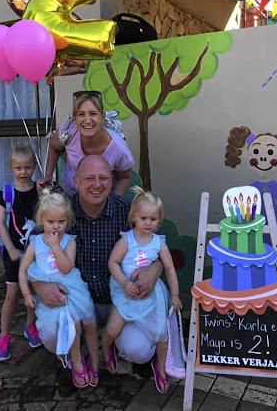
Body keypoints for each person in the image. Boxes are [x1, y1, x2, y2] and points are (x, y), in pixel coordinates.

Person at [29, 155, 163, 392]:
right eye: (89, 178)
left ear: (111, 181)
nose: (97, 184)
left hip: (118, 302)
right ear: (76, 180)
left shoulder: (128, 213)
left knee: (138, 349)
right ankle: (75, 360)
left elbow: (159, 250)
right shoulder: (59, 213)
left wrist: (154, 269)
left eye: (103, 178)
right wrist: (39, 285)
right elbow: (32, 256)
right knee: (50, 334)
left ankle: (126, 353)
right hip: (74, 302)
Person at [101, 186, 182, 394]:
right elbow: (113, 262)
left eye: (153, 219)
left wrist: (174, 295)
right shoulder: (126, 240)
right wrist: (124, 282)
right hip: (126, 293)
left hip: (151, 296)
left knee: (161, 334)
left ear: (159, 219)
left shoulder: (158, 243)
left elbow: (170, 268)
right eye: (143, 218)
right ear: (134, 217)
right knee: (111, 330)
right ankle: (106, 349)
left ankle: (162, 368)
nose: (148, 223)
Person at [19, 190, 98, 388]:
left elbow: (65, 267)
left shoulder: (69, 241)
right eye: (51, 222)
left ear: (67, 220)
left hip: (71, 287)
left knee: (84, 323)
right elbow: (23, 270)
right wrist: (27, 294)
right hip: (49, 291)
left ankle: (91, 362)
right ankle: (75, 359)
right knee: (69, 325)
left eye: (61, 222)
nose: (56, 227)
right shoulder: (35, 243)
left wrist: (56, 247)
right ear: (41, 220)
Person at [225, 126, 277, 260]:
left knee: (276, 248)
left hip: (275, 220)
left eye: (270, 152)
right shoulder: (250, 189)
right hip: (254, 223)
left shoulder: (273, 186)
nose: (262, 158)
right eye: (256, 151)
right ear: (246, 156)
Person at [37, 90, 134, 197]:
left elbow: (124, 177)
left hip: (101, 199)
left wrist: (114, 202)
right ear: (74, 118)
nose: (87, 120)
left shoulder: (118, 148)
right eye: (81, 114)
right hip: (69, 195)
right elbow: (54, 147)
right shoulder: (68, 133)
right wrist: (48, 176)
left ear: (102, 117)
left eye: (93, 114)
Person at [0, 143, 41, 362]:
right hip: (14, 254)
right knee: (12, 295)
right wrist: (11, 249)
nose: (23, 172)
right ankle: (4, 335)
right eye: (19, 168)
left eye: (28, 167)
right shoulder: (6, 193)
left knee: (32, 291)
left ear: (34, 167)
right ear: (11, 167)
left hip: (35, 253)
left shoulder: (38, 191)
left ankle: (30, 326)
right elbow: (1, 224)